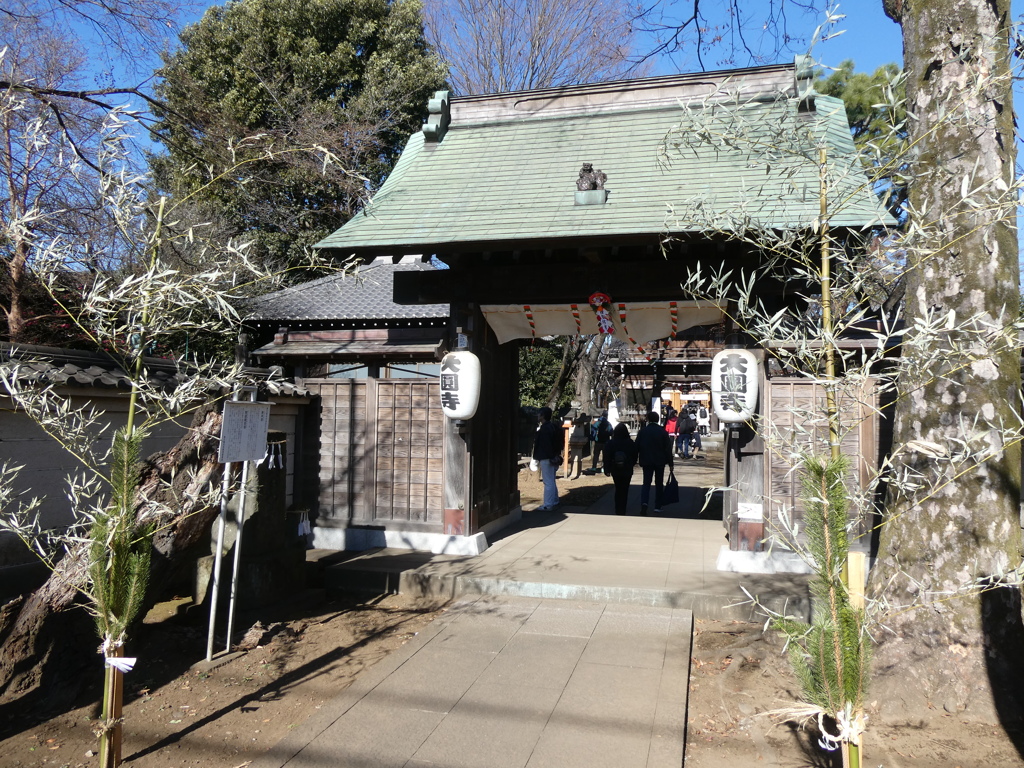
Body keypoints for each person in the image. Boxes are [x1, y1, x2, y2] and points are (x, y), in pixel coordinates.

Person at [635, 411, 673, 515]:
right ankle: (658, 505)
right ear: (657, 419)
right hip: (660, 461)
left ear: (648, 419)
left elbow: (636, 446)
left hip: (646, 460)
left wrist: (634, 460)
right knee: (659, 483)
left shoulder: (643, 432)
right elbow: (668, 449)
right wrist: (670, 463)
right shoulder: (663, 432)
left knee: (646, 483)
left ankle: (644, 503)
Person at [602, 423, 638, 515]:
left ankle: (618, 508)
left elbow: (606, 456)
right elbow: (635, 455)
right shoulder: (630, 443)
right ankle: (623, 508)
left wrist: (607, 468)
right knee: (625, 489)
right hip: (627, 468)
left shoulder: (611, 443)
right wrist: (631, 464)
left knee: (618, 488)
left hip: (615, 468)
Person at [532, 406, 562, 511]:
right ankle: (554, 500)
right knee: (551, 480)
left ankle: (548, 504)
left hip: (546, 457)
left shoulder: (545, 429)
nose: (537, 416)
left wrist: (540, 457)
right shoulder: (553, 427)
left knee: (548, 481)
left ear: (543, 416)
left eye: (539, 414)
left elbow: (545, 445)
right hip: (553, 456)